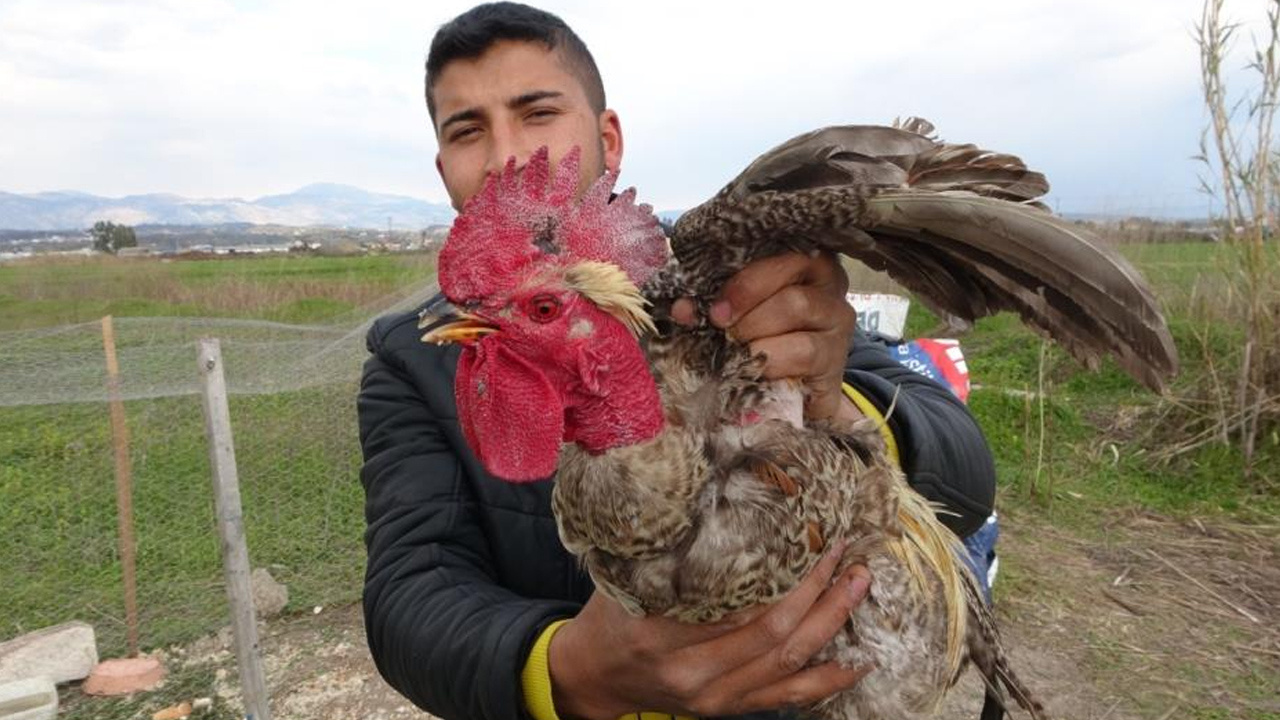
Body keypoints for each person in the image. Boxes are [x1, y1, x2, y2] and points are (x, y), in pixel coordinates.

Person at [357, 4, 997, 720]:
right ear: (443, 167)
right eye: (467, 130)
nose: (507, 154)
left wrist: (827, 398)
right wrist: (570, 672)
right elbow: (409, 593)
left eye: (537, 113)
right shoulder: (412, 358)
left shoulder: (739, 289)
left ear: (608, 138)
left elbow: (968, 476)